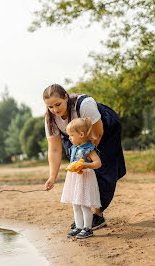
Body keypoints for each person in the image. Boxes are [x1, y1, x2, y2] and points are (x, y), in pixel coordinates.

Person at [43, 83, 126, 230]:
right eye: (50, 107)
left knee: (102, 169)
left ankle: (97, 215)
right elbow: (55, 150)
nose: (55, 110)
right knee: (80, 175)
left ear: (66, 97)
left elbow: (98, 134)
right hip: (76, 136)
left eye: (58, 104)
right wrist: (52, 177)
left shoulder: (85, 105)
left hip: (103, 130)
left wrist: (87, 156)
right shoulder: (50, 119)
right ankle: (85, 216)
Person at [61, 117, 102, 238]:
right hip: (75, 179)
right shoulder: (74, 148)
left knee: (85, 204)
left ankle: (87, 228)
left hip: (85, 178)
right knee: (76, 204)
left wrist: (85, 165)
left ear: (81, 134)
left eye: (71, 135)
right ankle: (79, 227)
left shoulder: (89, 149)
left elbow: (98, 163)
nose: (69, 138)